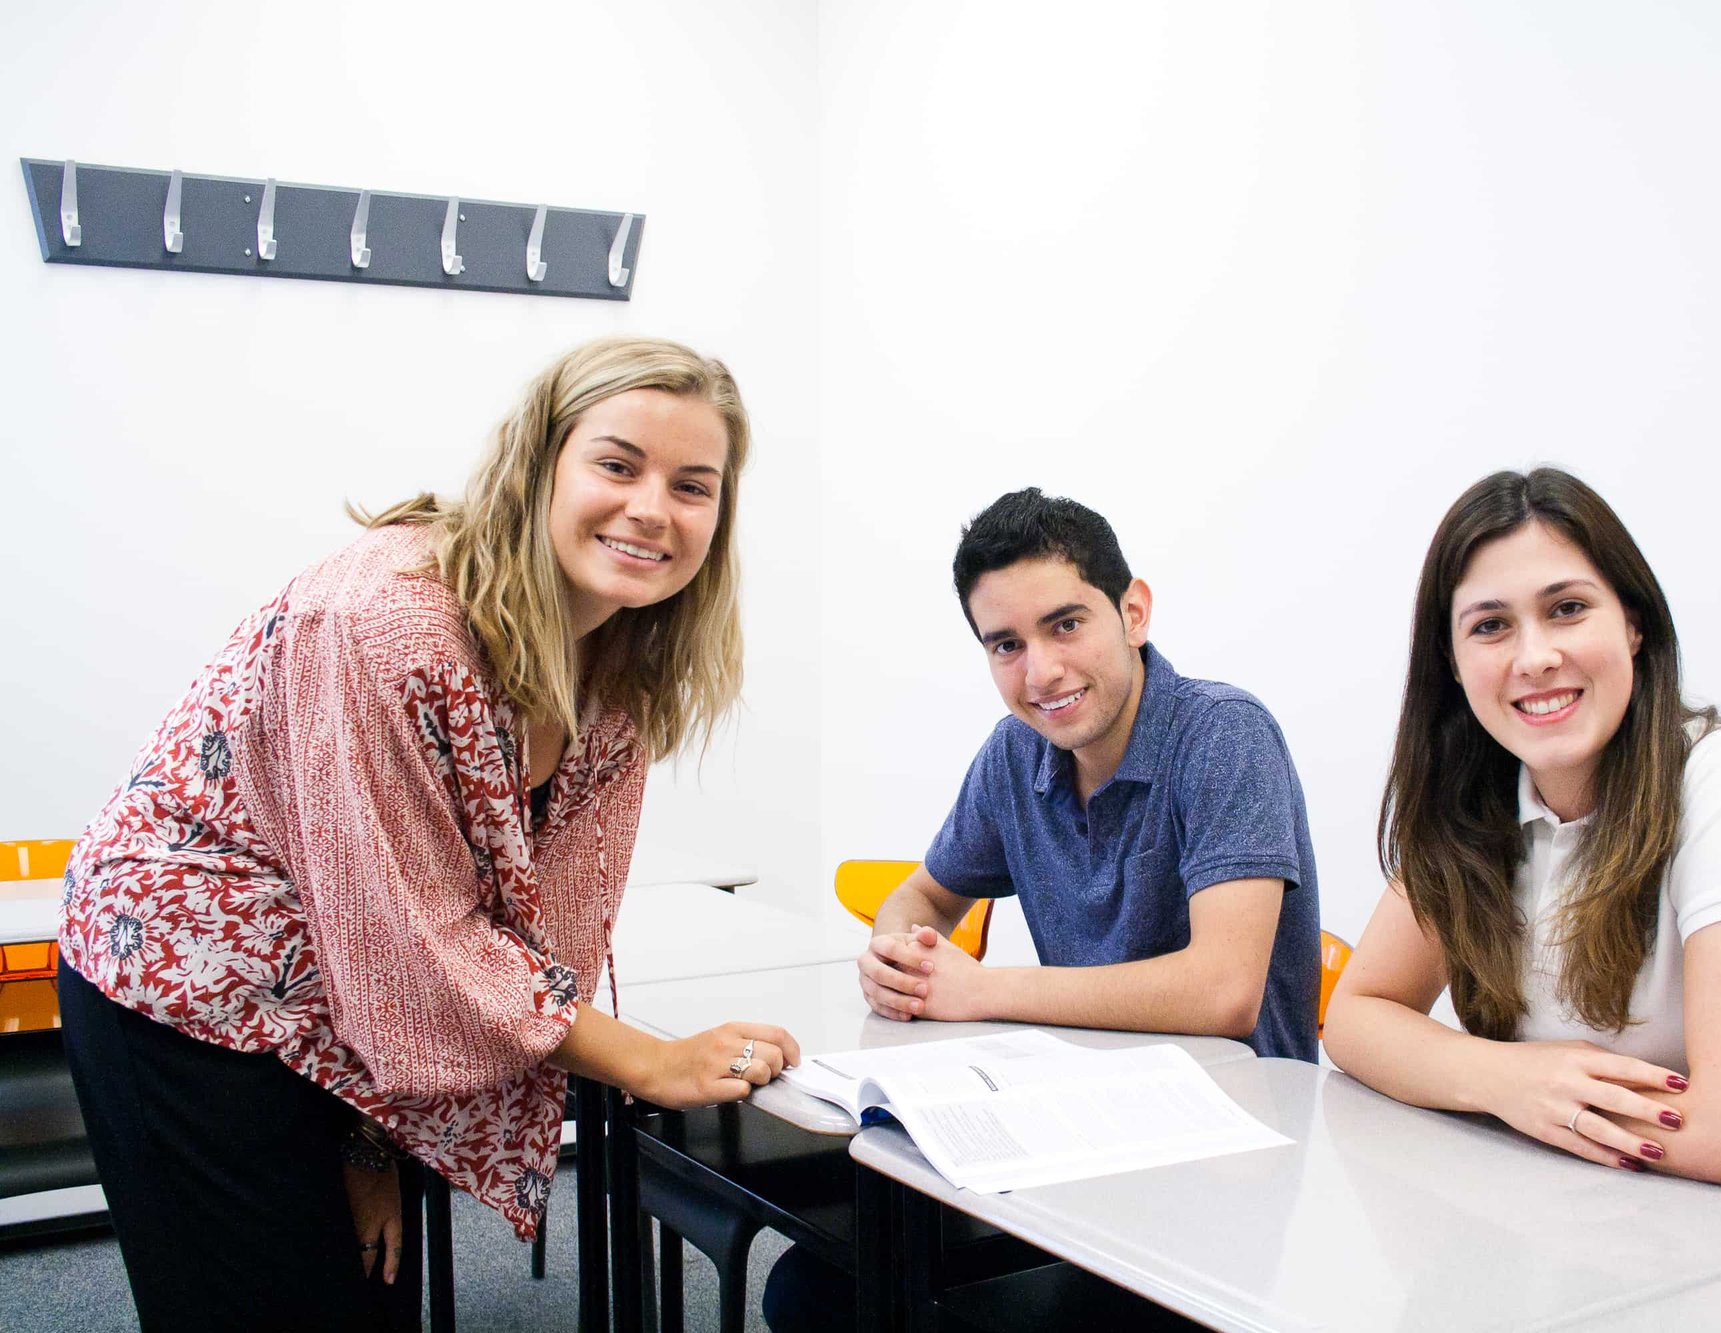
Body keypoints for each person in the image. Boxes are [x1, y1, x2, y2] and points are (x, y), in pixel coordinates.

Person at [56, 336, 801, 1331]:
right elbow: (410, 942)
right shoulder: (383, 620)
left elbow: (532, 936)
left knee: (366, 1299)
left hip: (341, 1005)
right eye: (617, 464)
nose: (652, 509)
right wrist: (647, 1062)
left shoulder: (618, 672)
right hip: (191, 991)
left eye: (693, 485)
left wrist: (372, 1148)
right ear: (539, 464)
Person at [764, 487, 1320, 1330]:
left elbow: (1223, 992)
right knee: (817, 1288)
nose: (1041, 672)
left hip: (1227, 1160)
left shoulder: (1223, 736)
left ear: (1132, 610)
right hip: (1077, 1134)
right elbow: (921, 893)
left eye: (1067, 624)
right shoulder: (1016, 752)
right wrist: (900, 954)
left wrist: (981, 989)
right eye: (1006, 645)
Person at [1322, 467, 1721, 1234]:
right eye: (1491, 625)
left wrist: (1514, 1091)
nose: (1534, 656)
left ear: (1633, 623)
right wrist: (1509, 1079)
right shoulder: (1468, 805)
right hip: (1594, 1234)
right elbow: (1360, 1016)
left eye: (1567, 609)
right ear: (1453, 660)